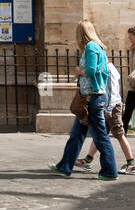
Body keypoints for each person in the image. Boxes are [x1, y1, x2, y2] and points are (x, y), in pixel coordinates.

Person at [49, 20, 118, 180]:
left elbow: (93, 70)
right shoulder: (97, 47)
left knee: (100, 136)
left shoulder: (91, 47)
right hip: (91, 97)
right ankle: (64, 166)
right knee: (76, 134)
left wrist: (80, 71)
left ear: (81, 33)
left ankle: (110, 171)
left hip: (92, 98)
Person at [75, 57, 135, 173]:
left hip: (112, 107)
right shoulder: (107, 68)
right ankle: (88, 160)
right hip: (107, 106)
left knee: (119, 134)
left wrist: (108, 109)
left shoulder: (108, 70)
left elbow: (113, 92)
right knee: (101, 133)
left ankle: (131, 163)